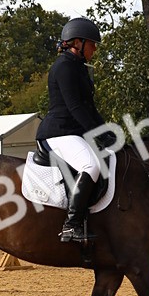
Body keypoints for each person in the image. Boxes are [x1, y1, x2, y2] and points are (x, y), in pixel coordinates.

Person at [36, 17, 109, 243]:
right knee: (91, 166)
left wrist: (108, 132)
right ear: (78, 42)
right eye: (92, 43)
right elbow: (75, 107)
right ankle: (71, 225)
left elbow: (90, 109)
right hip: (59, 132)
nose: (95, 48)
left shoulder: (79, 68)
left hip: (72, 132)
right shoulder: (64, 66)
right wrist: (97, 133)